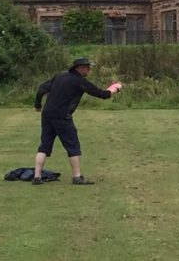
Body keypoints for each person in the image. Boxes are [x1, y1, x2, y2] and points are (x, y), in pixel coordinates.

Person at [32, 57, 122, 185]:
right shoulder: (79, 81)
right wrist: (115, 88)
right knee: (72, 145)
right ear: (79, 68)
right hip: (62, 116)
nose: (89, 70)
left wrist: (37, 105)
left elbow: (41, 89)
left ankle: (37, 176)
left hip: (47, 114)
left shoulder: (60, 76)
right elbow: (103, 94)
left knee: (45, 145)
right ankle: (77, 177)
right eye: (87, 67)